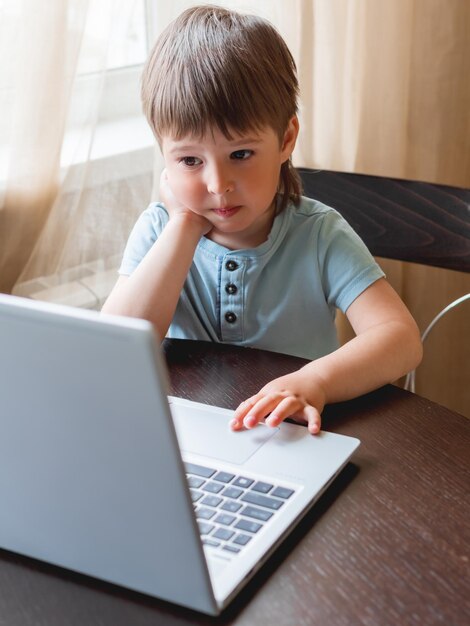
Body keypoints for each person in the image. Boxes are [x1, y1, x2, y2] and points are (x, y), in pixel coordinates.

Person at [102, 5, 422, 435]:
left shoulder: (319, 235)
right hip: (184, 435)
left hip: (289, 430)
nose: (218, 184)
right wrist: (183, 227)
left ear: (286, 139)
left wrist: (315, 381)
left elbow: (400, 339)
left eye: (240, 155)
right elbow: (114, 346)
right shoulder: (161, 229)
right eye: (190, 160)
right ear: (164, 156)